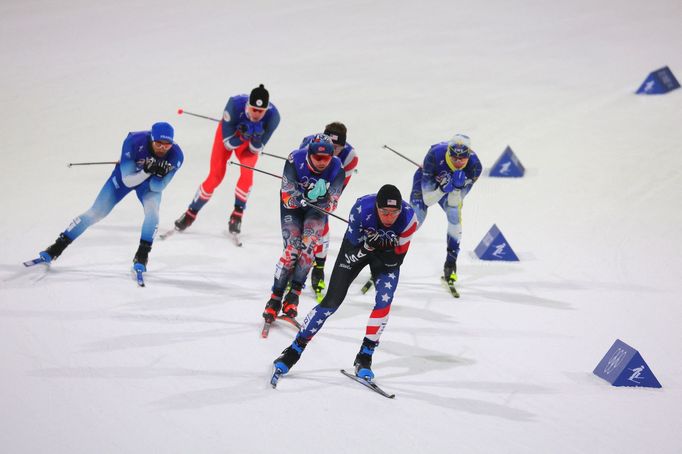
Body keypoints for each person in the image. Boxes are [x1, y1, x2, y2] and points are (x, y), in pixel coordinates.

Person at [272, 184, 418, 380]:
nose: (389, 217)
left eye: (394, 212)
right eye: (384, 212)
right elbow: (350, 258)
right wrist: (367, 246)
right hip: (357, 249)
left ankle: (365, 357)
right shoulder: (361, 210)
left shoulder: (409, 219)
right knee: (331, 302)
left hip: (385, 258)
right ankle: (293, 350)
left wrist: (388, 246)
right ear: (376, 208)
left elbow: (396, 261)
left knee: (384, 302)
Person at [31, 122, 184, 275]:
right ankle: (56, 248)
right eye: (158, 143)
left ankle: (142, 256)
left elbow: (157, 188)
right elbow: (127, 181)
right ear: (151, 138)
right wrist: (145, 171)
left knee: (153, 214)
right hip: (126, 177)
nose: (162, 148)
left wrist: (158, 175)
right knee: (96, 213)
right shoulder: (134, 141)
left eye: (167, 145)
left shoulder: (176, 155)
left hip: (149, 185)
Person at [174, 84, 281, 235]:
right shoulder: (234, 105)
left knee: (247, 172)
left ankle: (237, 215)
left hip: (247, 144)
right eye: (254, 109)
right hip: (230, 137)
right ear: (247, 105)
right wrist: (242, 135)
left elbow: (255, 149)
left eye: (261, 111)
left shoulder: (273, 117)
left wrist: (256, 137)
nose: (256, 114)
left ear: (267, 109)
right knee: (215, 176)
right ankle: (191, 212)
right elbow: (228, 143)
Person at [262, 133, 345, 323]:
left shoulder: (337, 167)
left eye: (327, 158)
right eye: (318, 158)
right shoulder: (295, 159)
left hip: (315, 210)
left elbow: (333, 204)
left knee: (308, 249)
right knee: (292, 249)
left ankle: (294, 294)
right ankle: (275, 298)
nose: (323, 162)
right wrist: (302, 197)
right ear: (309, 154)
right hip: (293, 208)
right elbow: (287, 198)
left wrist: (325, 200)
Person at [410, 133, 482, 286]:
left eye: (462, 159)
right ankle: (385, 254)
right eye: (453, 158)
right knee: (415, 221)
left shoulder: (475, 167)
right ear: (448, 152)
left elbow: (454, 203)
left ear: (468, 155)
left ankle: (450, 264)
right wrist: (442, 189)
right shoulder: (434, 155)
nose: (457, 162)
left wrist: (456, 188)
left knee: (454, 215)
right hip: (428, 185)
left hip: (449, 190)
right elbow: (428, 200)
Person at [298, 122, 358, 300]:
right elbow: (297, 172)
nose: (332, 151)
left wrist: (326, 199)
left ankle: (319, 268)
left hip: (328, 183)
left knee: (322, 221)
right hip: (308, 181)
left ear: (344, 146)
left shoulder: (349, 158)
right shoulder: (308, 144)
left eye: (337, 147)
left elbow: (338, 190)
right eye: (329, 146)